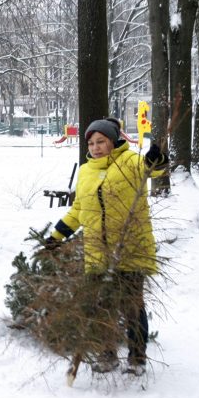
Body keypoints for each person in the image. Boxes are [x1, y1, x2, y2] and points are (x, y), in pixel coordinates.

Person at [44, 118, 168, 375]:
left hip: (130, 247)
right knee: (101, 307)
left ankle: (137, 358)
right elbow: (79, 210)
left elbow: (153, 170)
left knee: (132, 306)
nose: (96, 147)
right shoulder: (87, 170)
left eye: (101, 141)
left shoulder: (130, 161)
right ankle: (107, 354)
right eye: (91, 142)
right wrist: (57, 235)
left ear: (114, 141)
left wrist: (157, 158)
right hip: (97, 250)